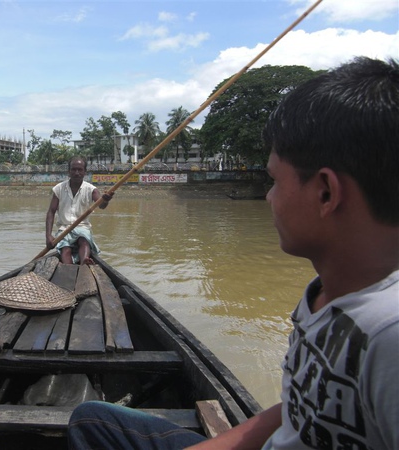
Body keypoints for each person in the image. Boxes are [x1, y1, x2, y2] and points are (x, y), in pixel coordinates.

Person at [67, 56, 399, 449]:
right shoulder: (323, 293)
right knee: (91, 420)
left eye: (274, 180)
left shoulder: (387, 336)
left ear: (326, 193)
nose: (268, 197)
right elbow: (295, 411)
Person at [46, 156, 112, 265]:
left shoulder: (91, 190)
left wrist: (105, 200)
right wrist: (48, 235)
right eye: (74, 169)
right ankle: (68, 268)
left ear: (85, 172)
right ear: (69, 171)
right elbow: (51, 212)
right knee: (65, 249)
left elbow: (101, 205)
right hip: (64, 229)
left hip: (82, 228)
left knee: (84, 241)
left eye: (80, 170)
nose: (77, 173)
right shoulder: (59, 188)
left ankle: (84, 262)